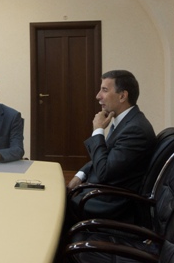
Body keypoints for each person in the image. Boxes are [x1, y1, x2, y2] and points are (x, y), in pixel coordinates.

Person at [66, 69, 157, 222]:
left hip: (109, 204)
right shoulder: (125, 122)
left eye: (104, 90)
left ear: (122, 96)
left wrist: (98, 131)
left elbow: (104, 171)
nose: (98, 96)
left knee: (53, 206)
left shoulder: (135, 130)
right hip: (100, 192)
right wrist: (80, 175)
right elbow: (106, 156)